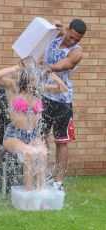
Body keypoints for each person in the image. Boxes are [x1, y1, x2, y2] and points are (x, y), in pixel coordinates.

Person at [0, 57, 68, 192]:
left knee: (43, 153)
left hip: (33, 135)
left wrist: (50, 73)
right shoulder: (14, 86)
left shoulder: (39, 88)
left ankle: (41, 192)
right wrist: (16, 68)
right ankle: (28, 193)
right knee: (29, 153)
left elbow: (63, 89)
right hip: (14, 135)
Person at [41, 18, 87, 191]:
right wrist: (54, 25)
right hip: (43, 95)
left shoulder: (76, 52)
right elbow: (54, 25)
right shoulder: (57, 36)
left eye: (77, 40)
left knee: (61, 141)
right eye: (72, 37)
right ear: (68, 30)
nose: (73, 41)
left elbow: (63, 65)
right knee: (40, 137)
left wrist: (46, 67)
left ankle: (58, 182)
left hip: (62, 101)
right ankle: (42, 174)